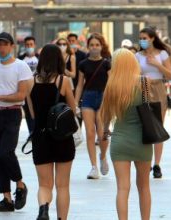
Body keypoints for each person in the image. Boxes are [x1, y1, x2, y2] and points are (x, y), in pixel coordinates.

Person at [0, 32, 33, 212]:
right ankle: (6, 199)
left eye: (5, 44)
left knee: (6, 152)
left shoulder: (21, 66)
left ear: (11, 46)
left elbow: (21, 95)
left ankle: (20, 185)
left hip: (12, 114)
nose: (2, 48)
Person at [100, 48, 153, 220]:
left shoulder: (111, 85)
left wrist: (105, 130)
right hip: (142, 140)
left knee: (122, 188)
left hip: (120, 140)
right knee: (144, 186)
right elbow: (147, 108)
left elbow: (105, 116)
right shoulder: (144, 82)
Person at [27, 44, 77, 220]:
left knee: (44, 184)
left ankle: (43, 208)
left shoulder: (30, 82)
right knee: (62, 186)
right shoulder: (63, 81)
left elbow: (32, 114)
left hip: (40, 137)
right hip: (62, 138)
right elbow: (72, 108)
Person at [135, 27, 171, 179]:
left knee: (158, 127)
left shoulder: (162, 54)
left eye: (145, 38)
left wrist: (156, 64)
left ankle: (157, 164)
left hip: (158, 88)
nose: (142, 40)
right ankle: (146, 161)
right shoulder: (137, 55)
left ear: (152, 38)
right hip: (143, 87)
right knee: (145, 125)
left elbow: (170, 74)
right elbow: (135, 74)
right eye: (140, 38)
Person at [75, 33, 111, 179]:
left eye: (97, 45)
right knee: (90, 132)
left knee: (101, 132)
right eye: (92, 45)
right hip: (88, 97)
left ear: (102, 47)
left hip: (103, 97)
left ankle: (102, 156)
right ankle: (93, 166)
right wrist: (75, 104)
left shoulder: (107, 63)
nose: (94, 48)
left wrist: (108, 101)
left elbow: (111, 84)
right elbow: (79, 85)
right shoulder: (83, 64)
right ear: (88, 47)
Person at [18, 36, 39, 134]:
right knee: (28, 112)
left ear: (34, 45)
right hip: (25, 90)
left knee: (38, 110)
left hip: (38, 88)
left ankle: (38, 130)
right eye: (27, 45)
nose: (29, 46)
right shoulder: (20, 59)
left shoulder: (40, 58)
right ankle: (31, 131)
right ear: (24, 46)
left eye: (31, 44)